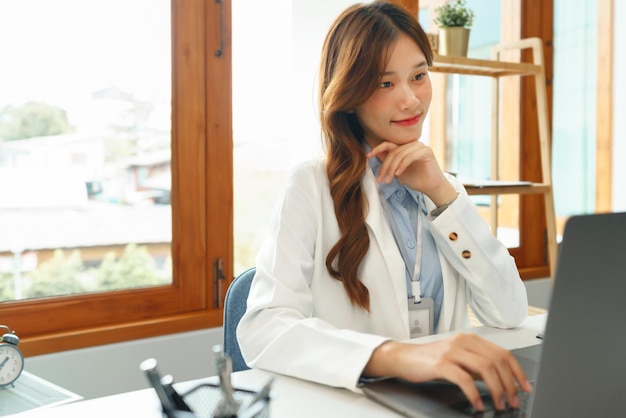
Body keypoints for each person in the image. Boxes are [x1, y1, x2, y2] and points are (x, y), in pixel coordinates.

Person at [238, 1, 531, 412]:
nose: (411, 100)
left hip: (445, 402)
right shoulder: (311, 186)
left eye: (419, 76)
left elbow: (510, 311)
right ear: (348, 94)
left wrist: (443, 195)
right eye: (385, 83)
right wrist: (397, 355)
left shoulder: (442, 188)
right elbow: (263, 329)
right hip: (362, 404)